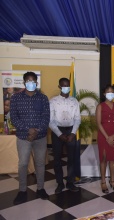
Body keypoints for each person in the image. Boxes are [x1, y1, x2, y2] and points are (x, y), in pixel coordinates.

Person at [10, 71, 50, 204]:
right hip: (23, 137)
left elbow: (46, 117)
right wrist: (28, 130)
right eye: (28, 81)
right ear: (24, 82)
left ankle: (40, 188)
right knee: (22, 164)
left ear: (36, 83)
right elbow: (14, 117)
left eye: (33, 81)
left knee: (40, 163)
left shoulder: (43, 98)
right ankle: (22, 191)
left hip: (40, 137)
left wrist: (36, 131)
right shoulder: (16, 98)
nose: (31, 83)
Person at [49, 78, 81, 193]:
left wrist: (72, 133)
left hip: (71, 131)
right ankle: (60, 183)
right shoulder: (53, 101)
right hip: (58, 131)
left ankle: (70, 182)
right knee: (57, 158)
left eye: (68, 85)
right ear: (59, 87)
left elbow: (77, 119)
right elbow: (51, 121)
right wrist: (59, 134)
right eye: (64, 86)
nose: (66, 88)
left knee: (71, 158)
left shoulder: (74, 101)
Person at [96, 84, 114, 193]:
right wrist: (107, 137)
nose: (110, 94)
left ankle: (112, 181)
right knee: (103, 158)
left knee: (113, 159)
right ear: (104, 94)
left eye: (112, 92)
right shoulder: (100, 106)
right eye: (108, 92)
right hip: (103, 135)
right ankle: (103, 182)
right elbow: (98, 123)